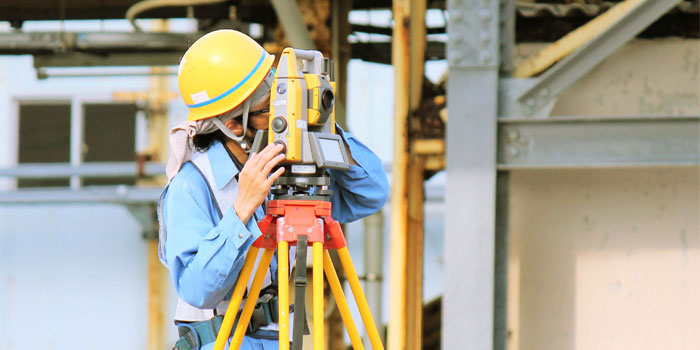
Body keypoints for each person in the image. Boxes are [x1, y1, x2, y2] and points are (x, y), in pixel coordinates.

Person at [157, 29, 389, 350]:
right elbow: (197, 289)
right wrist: (241, 212)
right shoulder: (191, 185)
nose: (285, 114)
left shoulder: (287, 168)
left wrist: (319, 127)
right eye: (273, 109)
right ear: (234, 123)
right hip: (226, 342)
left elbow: (371, 193)